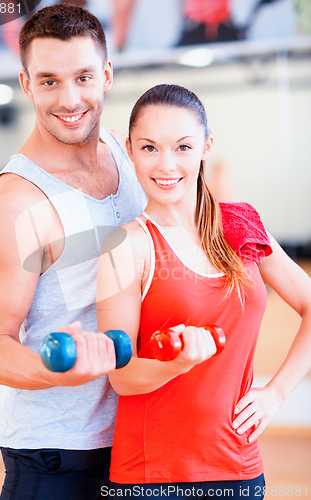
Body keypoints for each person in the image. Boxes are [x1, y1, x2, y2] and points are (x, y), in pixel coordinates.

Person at [96, 84, 311, 499]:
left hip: (240, 466)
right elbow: (121, 376)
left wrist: (277, 392)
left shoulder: (241, 226)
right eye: (149, 147)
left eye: (182, 146)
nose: (166, 164)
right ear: (130, 150)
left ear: (205, 147)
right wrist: (176, 363)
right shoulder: (126, 246)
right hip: (152, 477)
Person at [0, 4, 146, 500]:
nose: (69, 98)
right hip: (57, 456)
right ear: (27, 85)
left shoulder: (125, 153)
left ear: (107, 76)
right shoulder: (18, 202)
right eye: (49, 81)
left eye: (83, 77)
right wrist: (58, 369)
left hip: (136, 439)